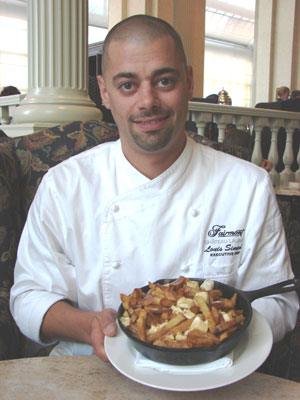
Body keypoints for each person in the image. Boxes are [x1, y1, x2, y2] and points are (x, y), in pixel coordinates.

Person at [10, 15, 299, 361]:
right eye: (128, 85)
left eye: (164, 81)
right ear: (104, 91)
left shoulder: (247, 186)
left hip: (214, 374)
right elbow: (28, 296)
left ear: (189, 81)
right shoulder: (63, 185)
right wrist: (88, 326)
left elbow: (279, 300)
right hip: (88, 368)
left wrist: (221, 330)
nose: (148, 101)